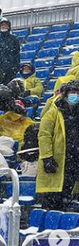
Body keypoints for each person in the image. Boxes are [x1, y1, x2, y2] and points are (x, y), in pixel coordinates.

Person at [36, 80, 79, 210]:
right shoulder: (54, 111)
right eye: (73, 92)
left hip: (75, 161)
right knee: (53, 197)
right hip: (59, 161)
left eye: (78, 92)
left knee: (69, 196)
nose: (75, 95)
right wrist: (47, 157)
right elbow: (44, 135)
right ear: (65, 94)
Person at [0, 18, 21, 84]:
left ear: (9, 27)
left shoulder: (14, 39)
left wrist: (15, 67)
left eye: (5, 25)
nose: (3, 26)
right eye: (2, 25)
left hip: (10, 70)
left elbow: (17, 54)